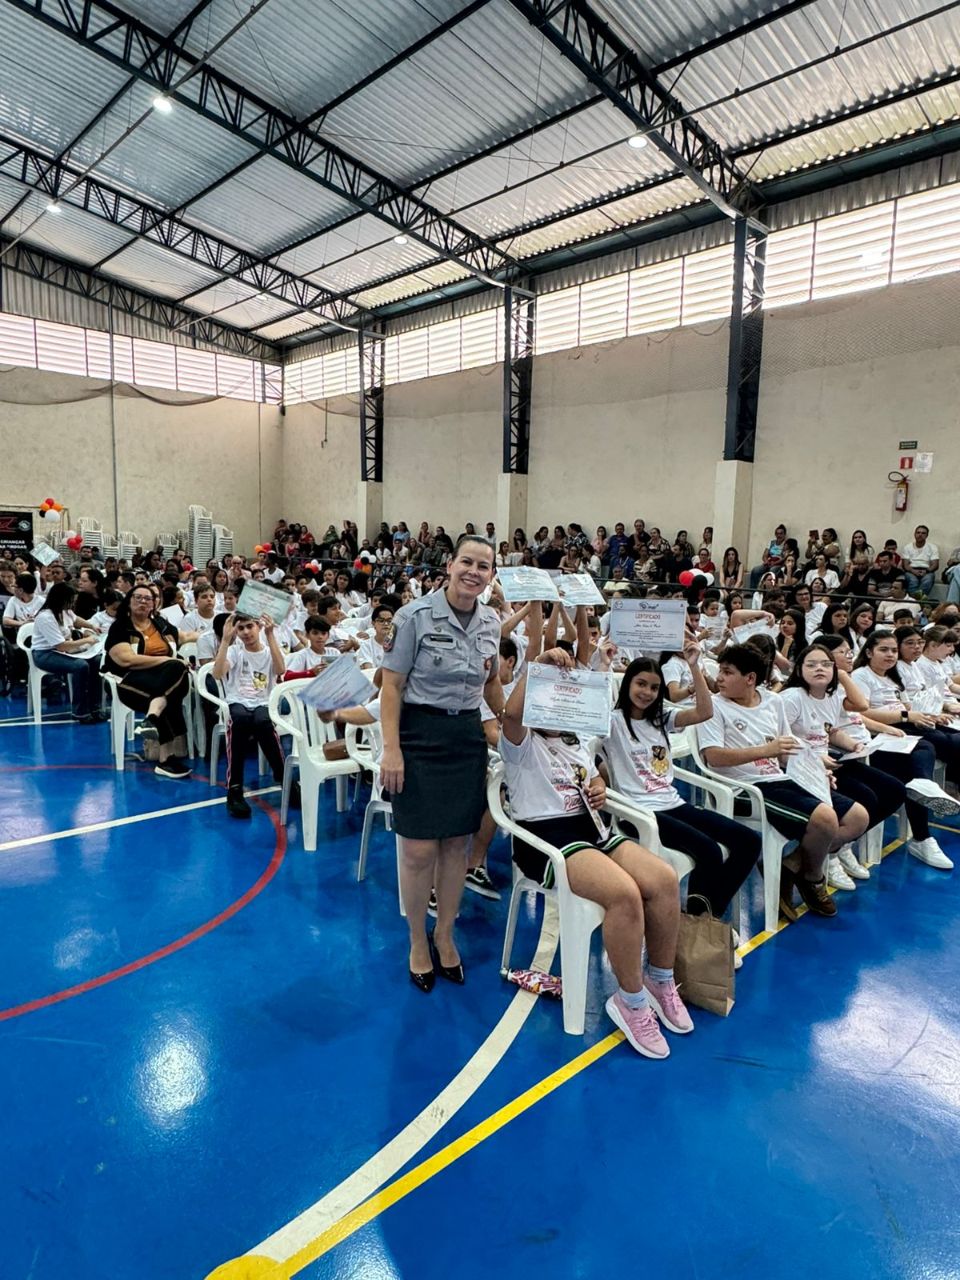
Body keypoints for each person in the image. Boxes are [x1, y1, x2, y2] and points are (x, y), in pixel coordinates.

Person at [499, 645, 692, 1058]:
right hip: (545, 838)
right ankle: (631, 1001)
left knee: (663, 879)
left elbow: (593, 773)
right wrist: (538, 666)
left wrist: (600, 785)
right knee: (623, 894)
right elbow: (511, 715)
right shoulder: (521, 741)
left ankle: (660, 979)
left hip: (591, 828)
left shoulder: (576, 739)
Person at [380, 534, 504, 992]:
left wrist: (512, 725)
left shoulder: (491, 622)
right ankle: (417, 939)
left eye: (483, 566)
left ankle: (444, 933)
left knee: (456, 846)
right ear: (449, 565)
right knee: (417, 850)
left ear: (491, 576)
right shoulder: (413, 617)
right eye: (466, 562)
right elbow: (391, 687)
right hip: (418, 736)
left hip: (465, 737)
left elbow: (492, 685)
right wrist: (392, 749)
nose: (474, 572)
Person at [697, 645, 867, 920]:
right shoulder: (714, 706)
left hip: (780, 778)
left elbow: (788, 750)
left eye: (727, 672)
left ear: (750, 678)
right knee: (825, 819)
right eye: (720, 671)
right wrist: (765, 751)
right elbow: (713, 757)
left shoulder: (772, 702)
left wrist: (816, 770)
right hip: (745, 788)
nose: (719, 678)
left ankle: (791, 865)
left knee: (857, 817)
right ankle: (812, 877)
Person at [602, 644, 760, 921]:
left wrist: (694, 666)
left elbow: (704, 712)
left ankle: (706, 917)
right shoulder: (612, 722)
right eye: (640, 684)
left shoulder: (661, 718)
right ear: (627, 684)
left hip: (672, 803)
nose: (647, 692)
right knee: (708, 850)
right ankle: (700, 921)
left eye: (654, 687)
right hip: (639, 812)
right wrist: (603, 667)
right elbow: (592, 708)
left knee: (748, 841)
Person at [780, 643, 896, 891]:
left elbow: (831, 729)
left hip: (831, 761)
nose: (819, 669)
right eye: (811, 664)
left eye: (826, 664)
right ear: (799, 670)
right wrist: (817, 762)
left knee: (893, 789)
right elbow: (780, 740)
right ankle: (830, 857)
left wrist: (853, 744)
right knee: (866, 798)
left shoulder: (831, 697)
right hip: (801, 768)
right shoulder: (791, 698)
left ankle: (823, 851)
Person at [850, 630, 959, 867]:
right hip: (876, 738)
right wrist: (905, 716)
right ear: (868, 652)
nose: (890, 654)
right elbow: (861, 714)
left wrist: (928, 715)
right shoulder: (861, 676)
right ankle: (922, 835)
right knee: (929, 747)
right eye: (883, 650)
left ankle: (923, 830)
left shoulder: (893, 677)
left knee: (927, 753)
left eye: (893, 650)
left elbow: (908, 706)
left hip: (901, 731)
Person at [104, 586, 192, 778]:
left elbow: (184, 637)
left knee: (175, 678)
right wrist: (166, 660)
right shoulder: (120, 627)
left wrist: (219, 636)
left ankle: (151, 719)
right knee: (172, 684)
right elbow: (126, 660)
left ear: (154, 604)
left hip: (162, 678)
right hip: (129, 680)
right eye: (138, 597)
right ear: (129, 601)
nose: (143, 602)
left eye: (148, 599)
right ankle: (165, 759)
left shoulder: (160, 624)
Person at [213, 612, 289, 818]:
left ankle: (284, 778)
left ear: (258, 627)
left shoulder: (269, 650)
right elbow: (217, 674)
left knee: (263, 722)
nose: (246, 632)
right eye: (241, 628)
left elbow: (280, 669)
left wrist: (271, 635)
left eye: (249, 626)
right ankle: (235, 788)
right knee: (240, 721)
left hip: (263, 701)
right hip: (238, 700)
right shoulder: (234, 651)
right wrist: (225, 640)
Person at [30, 581, 104, 722]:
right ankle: (80, 710)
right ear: (61, 600)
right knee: (80, 666)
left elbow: (75, 620)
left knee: (97, 661)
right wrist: (87, 640)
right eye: (70, 601)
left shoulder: (65, 611)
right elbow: (61, 646)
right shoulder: (46, 617)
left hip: (64, 651)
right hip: (45, 654)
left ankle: (95, 707)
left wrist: (91, 626)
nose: (72, 604)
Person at [900, 525, 939, 596]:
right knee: (913, 581)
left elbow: (935, 565)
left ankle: (916, 600)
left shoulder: (933, 547)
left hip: (927, 571)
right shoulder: (907, 547)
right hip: (911, 571)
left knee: (928, 580)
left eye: (923, 533)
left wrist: (926, 571)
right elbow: (905, 565)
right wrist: (913, 571)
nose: (920, 535)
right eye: (918, 532)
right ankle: (917, 601)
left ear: (927, 535)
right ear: (914, 534)